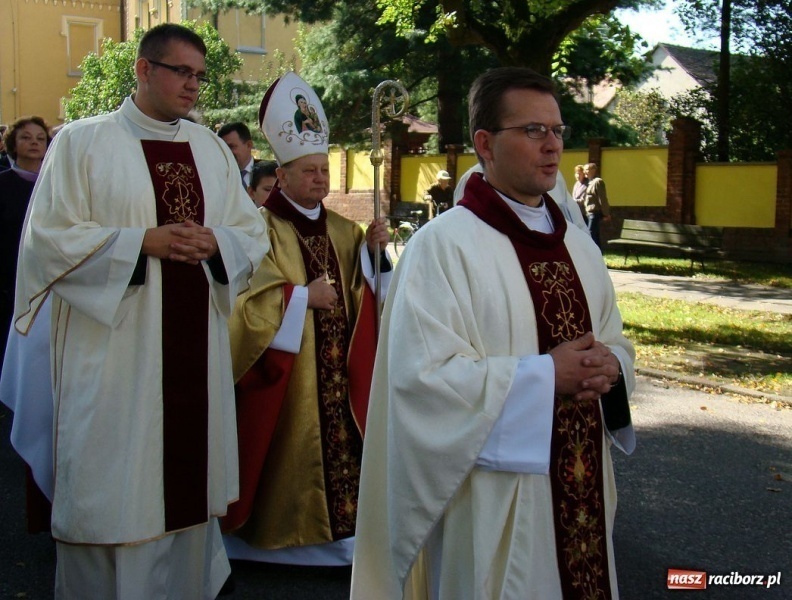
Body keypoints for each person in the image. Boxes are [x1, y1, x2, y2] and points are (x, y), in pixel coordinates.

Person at [351, 67, 635, 599]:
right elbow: (421, 383)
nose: (552, 145)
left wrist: (612, 366)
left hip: (580, 487)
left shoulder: (580, 248)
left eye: (557, 130)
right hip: (492, 500)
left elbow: (614, 339)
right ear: (485, 143)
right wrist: (546, 375)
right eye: (533, 131)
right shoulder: (443, 247)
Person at [10, 23, 269, 599]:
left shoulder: (209, 149)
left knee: (185, 490)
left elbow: (250, 230)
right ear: (144, 69)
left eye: (200, 76)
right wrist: (139, 244)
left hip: (192, 353)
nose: (194, 86)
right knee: (115, 490)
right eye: (182, 72)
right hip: (114, 356)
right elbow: (48, 240)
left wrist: (217, 243)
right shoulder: (81, 142)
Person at [222, 71, 391, 567]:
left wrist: (374, 257)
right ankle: (284, 539)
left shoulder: (346, 229)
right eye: (310, 170)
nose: (320, 178)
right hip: (288, 376)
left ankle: (343, 539)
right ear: (285, 174)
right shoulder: (259, 226)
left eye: (324, 169)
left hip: (341, 372)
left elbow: (373, 294)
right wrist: (297, 298)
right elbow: (245, 300)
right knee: (285, 449)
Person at [1, 116, 51, 374]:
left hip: (47, 277)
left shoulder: (54, 185)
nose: (34, 143)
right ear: (13, 143)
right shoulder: (3, 184)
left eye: (40, 138)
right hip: (10, 278)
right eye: (26, 137)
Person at [218, 121, 259, 188]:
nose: (226, 152)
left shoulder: (269, 172)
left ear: (249, 145)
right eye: (223, 148)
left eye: (231, 147)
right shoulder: (217, 176)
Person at [583, 162, 612, 249]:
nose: (585, 172)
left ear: (594, 170)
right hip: (589, 213)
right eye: (584, 170)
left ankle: (591, 254)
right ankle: (598, 254)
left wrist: (606, 213)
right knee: (595, 236)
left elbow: (602, 199)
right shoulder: (589, 183)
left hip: (594, 213)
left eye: (587, 169)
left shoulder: (598, 182)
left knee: (590, 234)